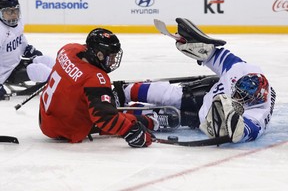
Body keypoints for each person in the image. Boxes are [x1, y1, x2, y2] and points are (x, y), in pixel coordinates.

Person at [118, 18, 276, 144]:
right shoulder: (241, 70)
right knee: (172, 95)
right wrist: (196, 46)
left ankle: (121, 114)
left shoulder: (260, 112)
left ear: (255, 100)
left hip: (204, 120)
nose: (236, 97)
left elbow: (247, 132)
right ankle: (122, 92)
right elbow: (213, 55)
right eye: (237, 92)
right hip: (208, 94)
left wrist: (234, 128)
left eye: (242, 98)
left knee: (169, 117)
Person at [39, 28, 160, 148]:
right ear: (99, 54)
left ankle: (125, 107)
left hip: (46, 117)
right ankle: (151, 120)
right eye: (111, 57)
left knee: (98, 101)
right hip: (66, 128)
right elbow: (104, 118)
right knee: (113, 115)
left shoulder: (68, 49)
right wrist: (131, 131)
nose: (112, 62)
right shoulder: (95, 78)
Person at [0, 0, 54, 100]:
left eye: (15, 11)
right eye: (8, 12)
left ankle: (69, 80)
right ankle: (63, 88)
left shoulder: (19, 21)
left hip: (16, 64)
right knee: (41, 70)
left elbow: (20, 37)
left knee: (46, 60)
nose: (14, 15)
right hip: (5, 73)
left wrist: (26, 48)